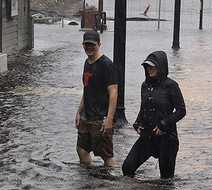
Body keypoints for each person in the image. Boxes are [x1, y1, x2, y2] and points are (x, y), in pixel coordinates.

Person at [122, 51, 187, 179]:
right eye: (147, 67)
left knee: (166, 181)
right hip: (148, 136)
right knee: (127, 167)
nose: (149, 69)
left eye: (153, 67)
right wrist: (137, 123)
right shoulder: (145, 85)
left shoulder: (171, 86)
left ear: (161, 67)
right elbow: (144, 108)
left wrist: (163, 124)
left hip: (167, 139)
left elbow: (181, 111)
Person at [75, 30, 118, 168]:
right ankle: (91, 180)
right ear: (83, 45)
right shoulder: (87, 63)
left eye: (92, 44)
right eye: (86, 45)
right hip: (86, 116)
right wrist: (78, 111)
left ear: (99, 44)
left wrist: (109, 119)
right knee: (81, 150)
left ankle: (111, 184)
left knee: (106, 156)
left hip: (101, 118)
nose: (89, 47)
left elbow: (113, 92)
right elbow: (86, 89)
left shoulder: (107, 64)